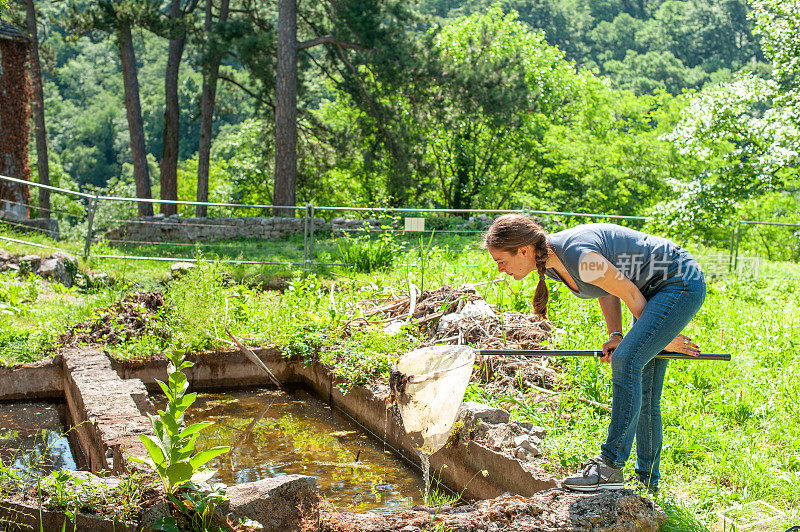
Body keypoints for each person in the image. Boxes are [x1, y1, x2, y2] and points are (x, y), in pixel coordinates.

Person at [482, 214, 706, 493]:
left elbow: (628, 292)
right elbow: (607, 287)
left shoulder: (577, 255)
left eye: (501, 261)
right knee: (644, 388)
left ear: (524, 250)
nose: (500, 270)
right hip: (650, 292)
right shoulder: (550, 263)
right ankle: (648, 483)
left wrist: (664, 337)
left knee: (627, 361)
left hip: (678, 281)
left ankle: (610, 467)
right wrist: (616, 335)